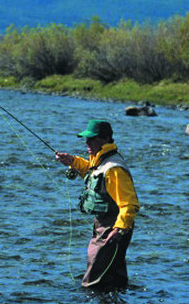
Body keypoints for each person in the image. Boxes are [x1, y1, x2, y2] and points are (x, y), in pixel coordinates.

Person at [55, 119, 140, 290]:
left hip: (113, 229)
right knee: (114, 278)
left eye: (91, 139)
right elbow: (93, 174)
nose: (86, 143)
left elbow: (129, 203)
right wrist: (72, 160)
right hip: (104, 225)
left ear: (105, 138)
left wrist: (119, 229)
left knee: (93, 280)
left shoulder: (114, 168)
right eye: (86, 139)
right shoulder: (100, 160)